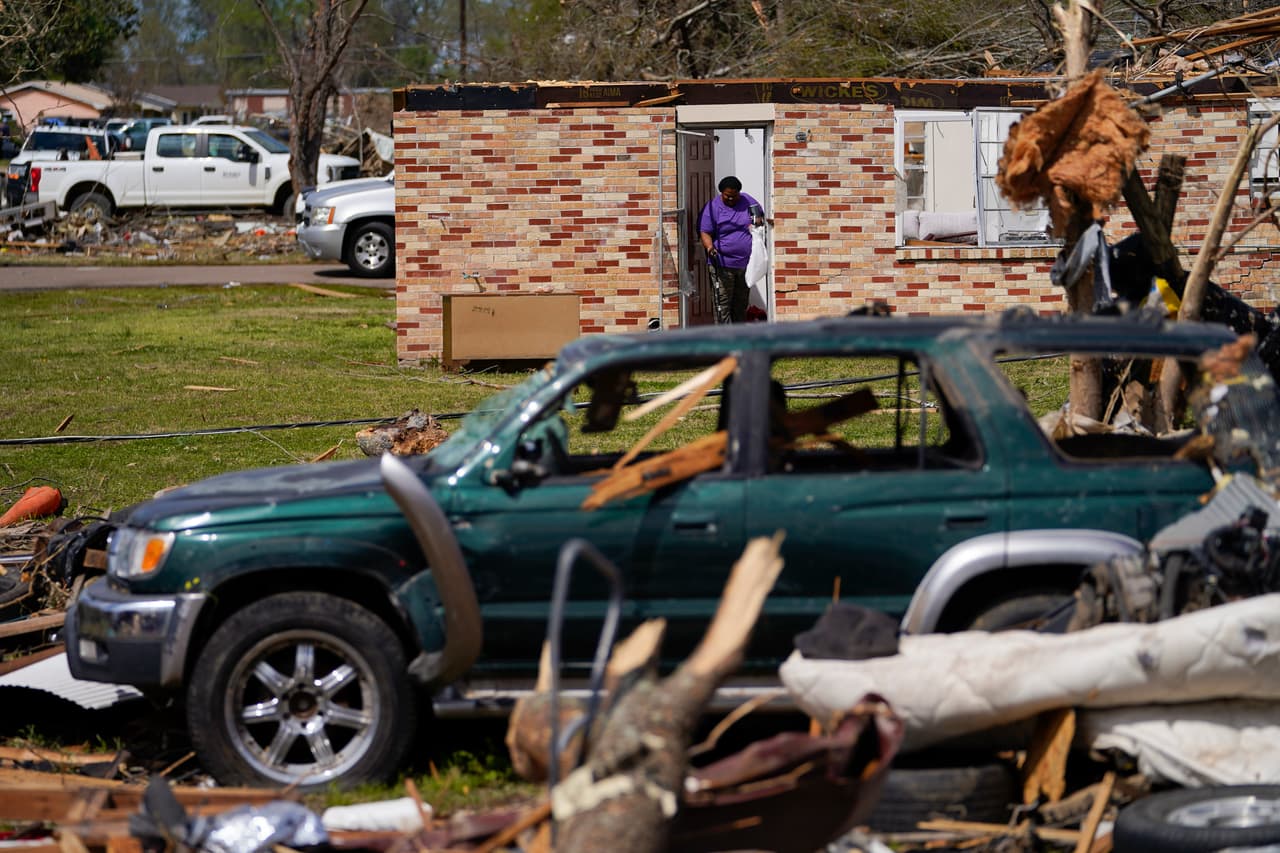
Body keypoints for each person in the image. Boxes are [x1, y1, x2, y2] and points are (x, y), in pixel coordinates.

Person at [699, 176, 765, 324]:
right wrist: (710, 248)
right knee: (723, 304)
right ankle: (725, 334)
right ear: (721, 193)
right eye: (727, 196)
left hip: (745, 264)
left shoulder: (747, 201)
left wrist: (758, 221)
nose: (731, 199)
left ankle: (739, 333)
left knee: (740, 303)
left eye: (734, 196)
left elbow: (759, 217)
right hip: (722, 264)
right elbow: (705, 232)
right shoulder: (712, 207)